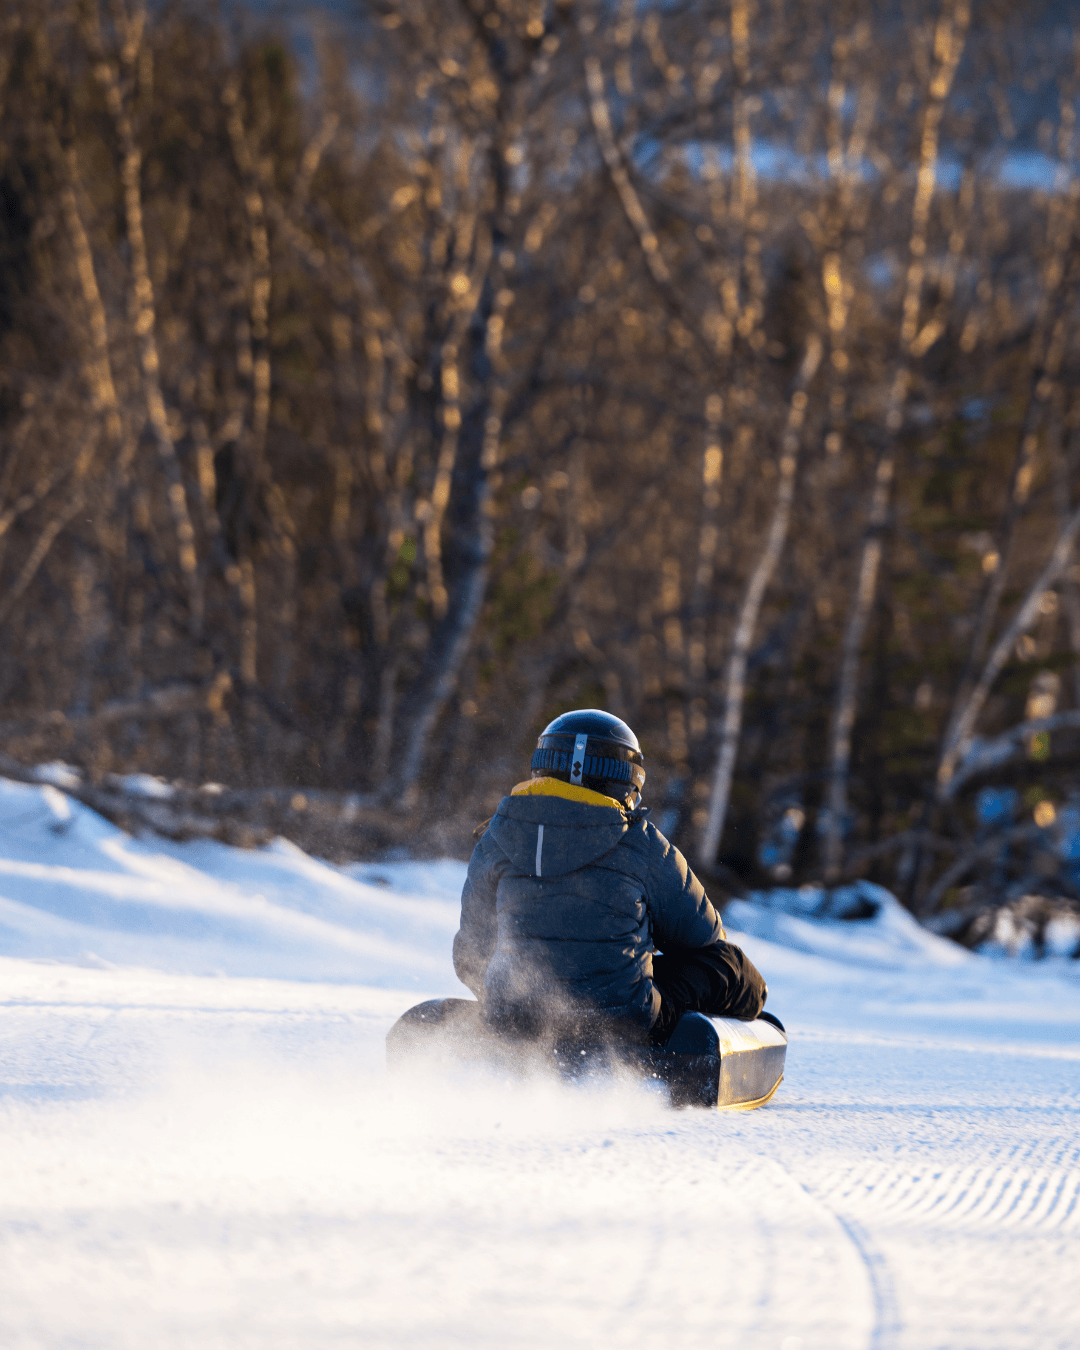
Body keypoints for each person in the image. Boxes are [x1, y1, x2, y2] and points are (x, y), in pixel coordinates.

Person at [453, 709, 767, 1050]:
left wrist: (514, 998)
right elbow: (704, 939)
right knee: (730, 966)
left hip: (516, 1019)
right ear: (628, 781)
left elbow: (470, 952)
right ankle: (742, 1037)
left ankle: (521, 1031)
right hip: (621, 1023)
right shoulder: (642, 842)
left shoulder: (496, 836)